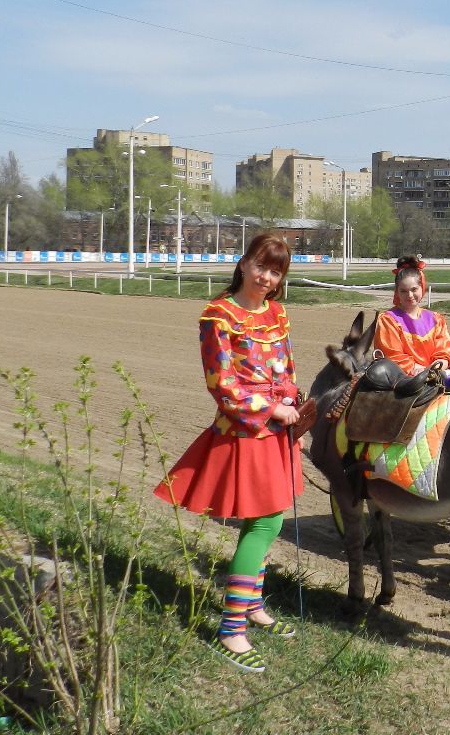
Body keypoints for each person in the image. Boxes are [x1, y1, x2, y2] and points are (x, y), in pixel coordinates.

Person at [154, 232, 302, 674]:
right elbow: (222, 386)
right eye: (260, 265)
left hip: (277, 429)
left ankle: (252, 604)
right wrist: (272, 407)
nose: (266, 277)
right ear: (242, 263)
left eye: (275, 271)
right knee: (266, 521)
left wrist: (291, 399)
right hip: (245, 432)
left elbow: (287, 366)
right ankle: (230, 629)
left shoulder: (276, 314)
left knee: (264, 518)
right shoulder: (218, 317)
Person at [373, 255, 450, 377]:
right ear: (397, 291)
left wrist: (435, 369)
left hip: (436, 375)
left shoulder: (436, 319)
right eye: (403, 291)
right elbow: (392, 355)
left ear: (422, 288)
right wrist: (419, 370)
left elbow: (443, 352)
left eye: (414, 289)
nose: (410, 295)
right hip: (403, 380)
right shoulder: (388, 320)